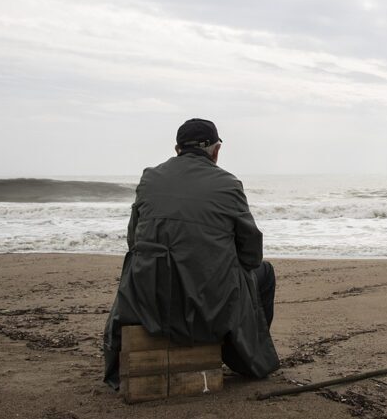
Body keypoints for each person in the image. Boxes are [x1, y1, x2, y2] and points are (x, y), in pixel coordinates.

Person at [103, 118, 279, 389]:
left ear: (177, 149)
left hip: (147, 303)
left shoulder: (149, 177)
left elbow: (133, 240)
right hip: (208, 308)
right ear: (216, 150)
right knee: (264, 273)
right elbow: (251, 254)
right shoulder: (229, 184)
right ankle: (246, 358)